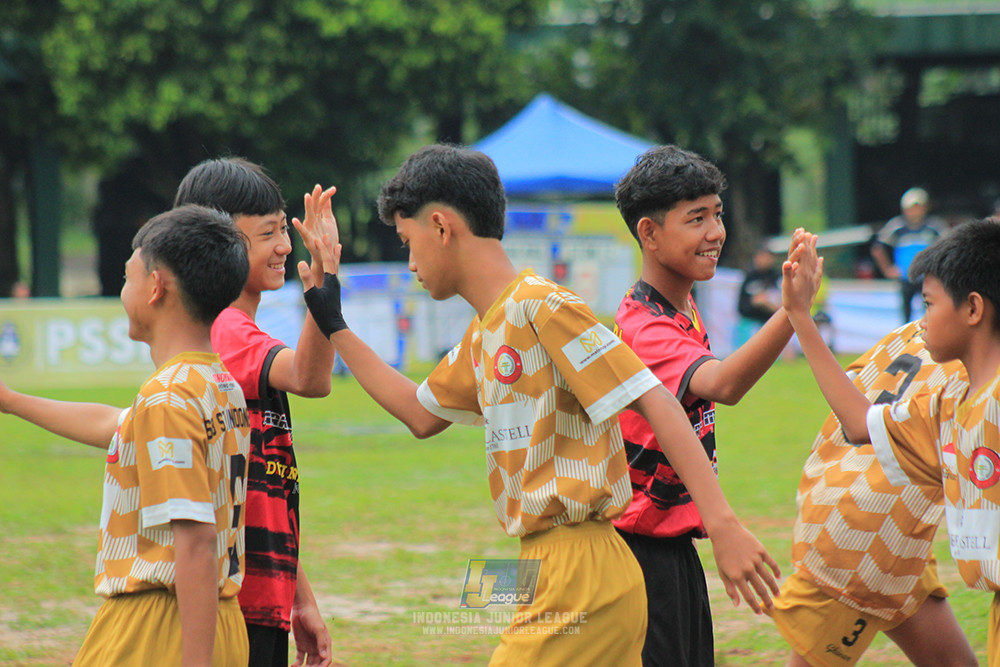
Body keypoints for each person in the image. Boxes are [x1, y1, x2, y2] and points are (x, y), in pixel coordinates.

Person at [293, 144, 781, 667]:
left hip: (585, 570)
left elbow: (657, 400)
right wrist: (333, 320)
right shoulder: (488, 331)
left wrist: (724, 525)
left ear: (441, 227)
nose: (410, 262)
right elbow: (418, 412)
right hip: (545, 563)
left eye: (408, 242)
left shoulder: (543, 306)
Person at [0, 205, 252, 666]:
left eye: (127, 276)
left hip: (158, 628)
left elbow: (194, 542)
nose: (123, 290)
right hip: (221, 624)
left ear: (156, 287)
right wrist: (11, 401)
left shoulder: (167, 399)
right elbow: (115, 425)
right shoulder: (219, 385)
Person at [610, 144, 819, 667]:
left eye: (718, 214)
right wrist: (791, 312)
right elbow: (723, 384)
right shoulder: (644, 327)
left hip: (673, 547)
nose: (715, 232)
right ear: (649, 233)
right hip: (640, 556)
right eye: (696, 218)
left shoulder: (680, 305)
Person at [783, 218, 1000, 667]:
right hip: (869, 527)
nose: (920, 320)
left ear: (973, 308)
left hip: (864, 527)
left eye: (928, 304)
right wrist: (800, 316)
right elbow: (860, 422)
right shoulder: (948, 404)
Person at [174, 158, 334, 667]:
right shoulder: (226, 331)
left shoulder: (237, 332)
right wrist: (324, 280)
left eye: (284, 229)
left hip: (261, 597)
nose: (286, 246)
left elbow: (262, 495)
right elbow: (312, 378)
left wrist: (299, 598)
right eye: (269, 233)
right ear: (216, 243)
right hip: (235, 605)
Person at [768, 320, 976, 667]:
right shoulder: (974, 363)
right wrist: (800, 318)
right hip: (863, 534)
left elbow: (851, 389)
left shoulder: (908, 332)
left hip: (893, 528)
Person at [870, 187, 946, 323]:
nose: (916, 212)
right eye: (912, 208)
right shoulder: (897, 227)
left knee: (930, 313)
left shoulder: (934, 227)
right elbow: (878, 248)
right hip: (906, 278)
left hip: (927, 277)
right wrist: (888, 269)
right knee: (906, 316)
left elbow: (948, 246)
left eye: (919, 207)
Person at [735, 245, 782, 346]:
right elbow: (750, 302)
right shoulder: (750, 276)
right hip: (750, 321)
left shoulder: (775, 277)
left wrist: (767, 303)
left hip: (770, 320)